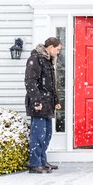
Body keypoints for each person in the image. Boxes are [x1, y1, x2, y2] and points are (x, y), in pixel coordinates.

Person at [24, 37, 62, 173]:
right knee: (38, 134)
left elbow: (51, 84)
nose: (58, 53)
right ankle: (34, 164)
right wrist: (36, 101)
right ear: (50, 47)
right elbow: (30, 81)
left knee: (47, 134)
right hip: (39, 105)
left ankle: (42, 161)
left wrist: (56, 101)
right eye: (57, 50)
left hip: (47, 104)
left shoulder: (48, 61)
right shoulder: (35, 59)